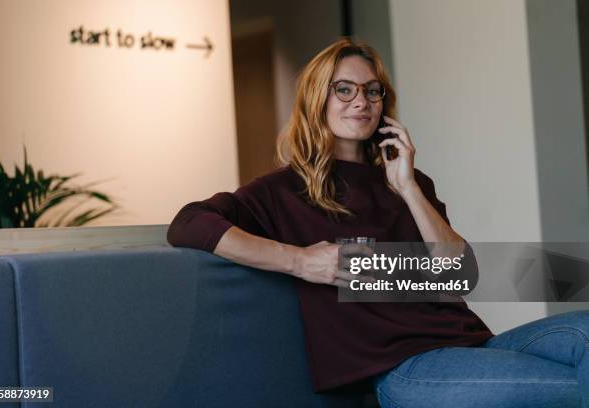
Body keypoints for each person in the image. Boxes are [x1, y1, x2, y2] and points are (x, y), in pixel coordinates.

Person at [167, 38, 589, 407]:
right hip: (407, 371)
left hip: (477, 346)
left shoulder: (410, 181)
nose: (362, 101)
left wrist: (407, 186)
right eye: (344, 89)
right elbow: (189, 222)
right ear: (318, 98)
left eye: (373, 91)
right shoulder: (281, 192)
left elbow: (461, 275)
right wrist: (297, 261)